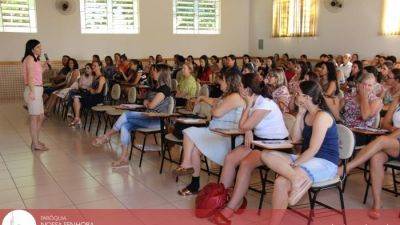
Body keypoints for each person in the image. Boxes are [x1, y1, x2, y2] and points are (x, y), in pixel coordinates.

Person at [209, 73, 289, 224]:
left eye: (240, 86)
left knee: (245, 164)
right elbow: (245, 126)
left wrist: (247, 120)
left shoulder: (265, 104)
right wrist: (248, 129)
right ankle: (220, 198)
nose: (238, 87)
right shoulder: (254, 101)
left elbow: (243, 125)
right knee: (230, 157)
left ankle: (231, 208)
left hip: (276, 145)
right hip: (259, 142)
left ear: (247, 90)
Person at [261, 80, 339, 225]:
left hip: (325, 162)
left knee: (281, 181)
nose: (295, 96)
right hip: (309, 158)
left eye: (298, 94)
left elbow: (313, 149)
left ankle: (274, 222)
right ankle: (297, 179)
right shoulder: (306, 114)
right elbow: (295, 139)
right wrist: (300, 114)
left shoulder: (322, 116)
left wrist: (295, 163)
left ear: (307, 97)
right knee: (265, 154)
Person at [173, 71, 245, 195]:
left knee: (189, 132)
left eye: (221, 80)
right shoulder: (226, 95)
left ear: (228, 82)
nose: (218, 82)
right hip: (216, 132)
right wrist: (202, 98)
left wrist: (213, 108)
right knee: (194, 149)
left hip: (228, 137)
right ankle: (194, 182)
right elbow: (214, 102)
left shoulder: (235, 97)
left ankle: (186, 164)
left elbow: (216, 112)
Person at [337, 80, 400, 219]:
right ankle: (377, 203)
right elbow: (385, 123)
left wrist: (394, 132)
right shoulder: (397, 101)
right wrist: (394, 130)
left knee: (382, 140)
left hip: (391, 141)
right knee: (376, 157)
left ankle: (348, 167)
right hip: (393, 142)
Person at [92, 64, 173, 168]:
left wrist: (147, 102)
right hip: (148, 117)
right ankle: (123, 158)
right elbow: (146, 101)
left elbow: (151, 105)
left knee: (126, 114)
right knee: (125, 126)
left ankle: (106, 136)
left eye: (155, 71)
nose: (152, 73)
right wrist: (146, 102)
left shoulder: (165, 89)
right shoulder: (156, 87)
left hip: (157, 121)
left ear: (161, 73)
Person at [341, 73, 383, 145]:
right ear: (358, 84)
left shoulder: (376, 101)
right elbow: (337, 114)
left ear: (373, 87)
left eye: (369, 85)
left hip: (360, 133)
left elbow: (365, 116)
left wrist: (364, 97)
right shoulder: (349, 96)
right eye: (364, 84)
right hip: (344, 128)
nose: (366, 87)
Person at [22, 39, 49, 151]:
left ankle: (35, 141)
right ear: (32, 49)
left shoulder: (36, 59)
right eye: (38, 47)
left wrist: (44, 67)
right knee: (34, 118)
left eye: (40, 47)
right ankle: (35, 143)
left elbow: (37, 74)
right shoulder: (29, 59)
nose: (40, 49)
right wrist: (32, 92)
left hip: (38, 89)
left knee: (41, 116)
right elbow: (31, 77)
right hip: (34, 90)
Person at [69, 61, 106, 127]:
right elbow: (91, 88)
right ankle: (77, 119)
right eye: (93, 66)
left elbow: (99, 91)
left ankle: (77, 119)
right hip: (91, 95)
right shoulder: (95, 77)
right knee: (75, 98)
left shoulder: (102, 78)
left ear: (100, 67)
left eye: (95, 66)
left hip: (97, 98)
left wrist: (92, 90)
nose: (93, 67)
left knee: (76, 99)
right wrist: (89, 89)